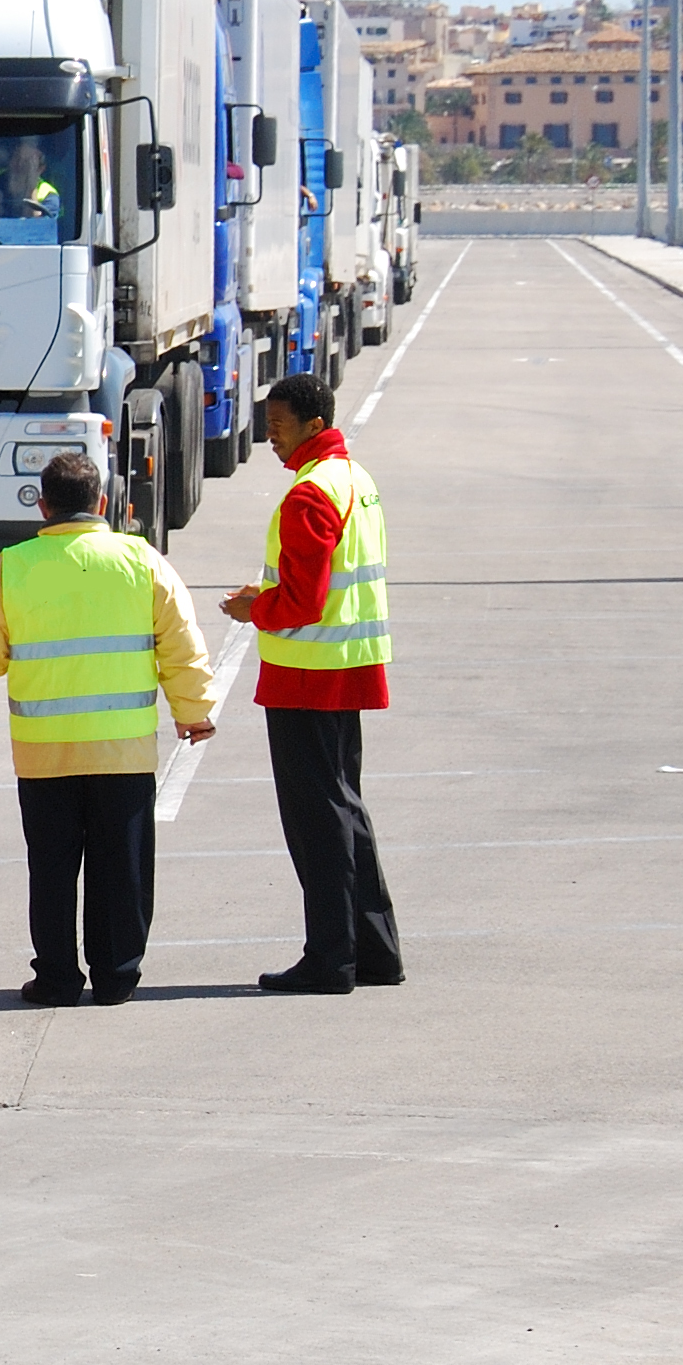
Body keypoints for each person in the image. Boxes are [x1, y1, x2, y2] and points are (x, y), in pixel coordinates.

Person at [0, 447, 219, 1006]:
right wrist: (193, 710)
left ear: (43, 506)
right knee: (120, 866)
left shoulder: (11, 566)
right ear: (102, 503)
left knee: (51, 870)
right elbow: (182, 643)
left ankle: (56, 977)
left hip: (43, 753)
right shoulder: (141, 561)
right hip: (122, 753)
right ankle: (117, 974)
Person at [223, 372, 400, 993]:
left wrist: (255, 606)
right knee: (345, 808)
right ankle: (374, 951)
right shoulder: (356, 479)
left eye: (278, 428)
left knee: (316, 822)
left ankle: (331, 957)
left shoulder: (308, 494)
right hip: (349, 665)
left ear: (313, 426)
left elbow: (301, 599)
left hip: (308, 673)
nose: (270, 439)